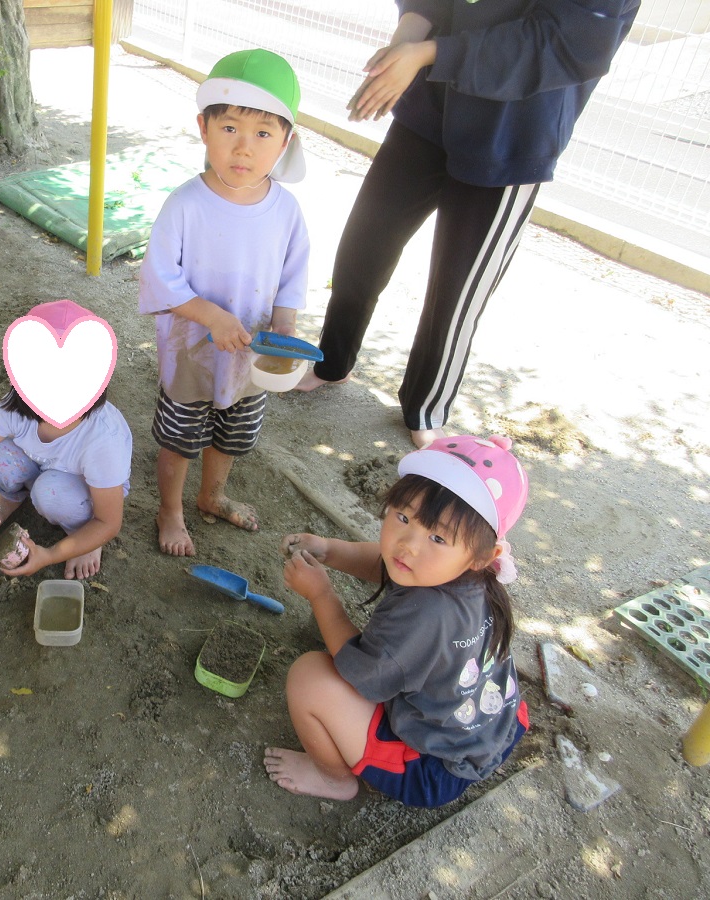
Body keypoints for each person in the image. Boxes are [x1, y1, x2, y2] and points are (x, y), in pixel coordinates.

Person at [296, 1, 640, 449]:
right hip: (429, 109)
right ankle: (332, 362)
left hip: (511, 136)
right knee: (364, 246)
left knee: (456, 293)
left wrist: (428, 53)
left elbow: (568, 43)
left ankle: (425, 408)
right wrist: (406, 40)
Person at [265, 435, 531, 808]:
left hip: (433, 768)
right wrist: (330, 550)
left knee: (308, 678)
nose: (408, 545)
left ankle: (333, 779)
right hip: (498, 723)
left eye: (437, 537)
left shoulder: (426, 614)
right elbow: (386, 561)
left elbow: (364, 674)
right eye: (403, 517)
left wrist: (321, 595)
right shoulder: (472, 576)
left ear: (485, 555)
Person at [138, 48, 310, 557]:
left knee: (231, 435)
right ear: (204, 127)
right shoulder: (185, 205)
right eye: (229, 127)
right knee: (179, 438)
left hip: (249, 356)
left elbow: (291, 278)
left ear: (285, 141)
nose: (243, 147)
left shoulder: (286, 211)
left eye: (263, 133)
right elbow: (160, 277)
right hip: (190, 354)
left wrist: (284, 331)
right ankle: (171, 510)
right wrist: (210, 315)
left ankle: (212, 496)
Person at [0, 300, 132, 581]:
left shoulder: (103, 439)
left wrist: (51, 554)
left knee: (51, 494)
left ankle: (82, 532)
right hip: (43, 466)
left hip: (88, 491)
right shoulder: (16, 407)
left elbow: (109, 521)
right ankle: (13, 496)